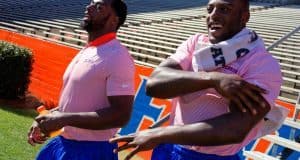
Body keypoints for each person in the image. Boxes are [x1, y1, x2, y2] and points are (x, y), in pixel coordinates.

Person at [110, 0, 287, 159]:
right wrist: (213, 79)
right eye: (210, 9)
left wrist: (160, 135)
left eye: (224, 9)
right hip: (170, 149)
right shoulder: (195, 42)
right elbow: (154, 84)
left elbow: (235, 129)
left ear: (244, 17)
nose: (213, 15)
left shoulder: (263, 64)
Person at [27, 0, 135, 160]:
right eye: (91, 3)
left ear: (114, 20)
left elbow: (121, 115)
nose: (89, 7)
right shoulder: (89, 50)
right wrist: (48, 117)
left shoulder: (118, 57)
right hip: (64, 143)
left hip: (92, 150)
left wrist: (63, 119)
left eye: (99, 7)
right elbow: (77, 103)